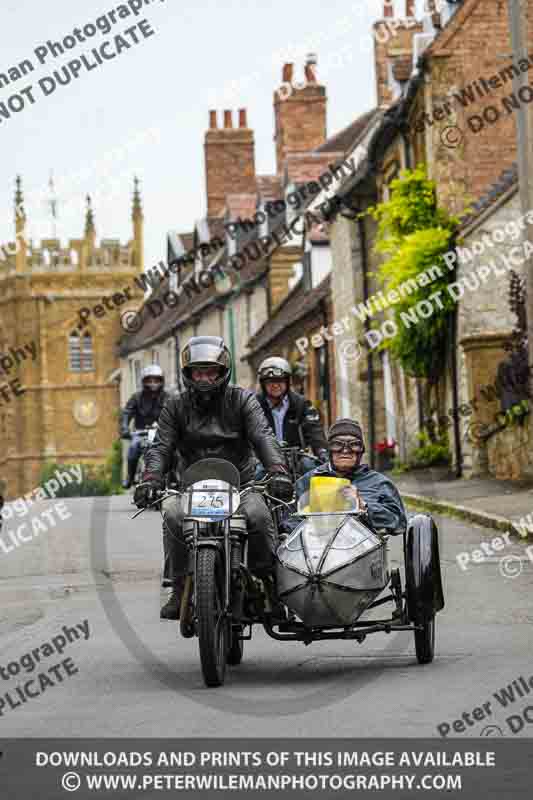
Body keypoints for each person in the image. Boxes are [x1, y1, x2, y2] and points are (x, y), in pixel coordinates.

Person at [133, 336, 292, 620]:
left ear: (222, 372)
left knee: (258, 514)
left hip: (242, 485)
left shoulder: (243, 400)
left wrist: (278, 471)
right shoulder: (175, 406)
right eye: (198, 371)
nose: (204, 378)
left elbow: (263, 437)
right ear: (188, 374)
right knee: (171, 513)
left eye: (210, 371)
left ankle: (267, 580)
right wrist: (150, 478)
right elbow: (161, 447)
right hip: (192, 488)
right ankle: (180, 586)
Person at [294, 418, 407, 536]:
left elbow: (399, 523)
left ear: (362, 450)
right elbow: (289, 520)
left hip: (363, 550)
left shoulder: (380, 483)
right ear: (329, 450)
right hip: (316, 549)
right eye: (337, 444)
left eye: (354, 445)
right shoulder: (308, 481)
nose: (345, 450)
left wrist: (363, 505)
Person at [255, 356, 328, 478]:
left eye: (280, 380)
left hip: (296, 461)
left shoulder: (302, 404)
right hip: (264, 460)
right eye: (270, 381)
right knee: (254, 475)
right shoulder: (254, 406)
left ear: (288, 382)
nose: (275, 385)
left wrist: (323, 453)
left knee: (313, 471)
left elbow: (315, 431)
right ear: (263, 383)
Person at [120, 364, 169, 489]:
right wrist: (125, 427)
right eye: (149, 380)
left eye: (156, 380)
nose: (153, 383)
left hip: (162, 434)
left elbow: (176, 413)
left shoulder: (168, 398)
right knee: (133, 449)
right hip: (140, 433)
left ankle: (176, 476)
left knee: (176, 450)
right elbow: (127, 412)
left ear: (161, 381)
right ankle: (130, 477)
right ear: (144, 381)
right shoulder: (136, 398)